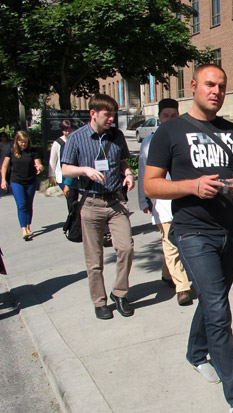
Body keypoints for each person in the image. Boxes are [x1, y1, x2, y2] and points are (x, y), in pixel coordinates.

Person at [144, 64, 233, 413]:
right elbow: (151, 184)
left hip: (232, 231)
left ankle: (196, 352)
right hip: (194, 231)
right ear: (193, 86)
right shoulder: (170, 132)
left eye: (223, 86)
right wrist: (191, 186)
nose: (217, 92)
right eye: (210, 84)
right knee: (218, 309)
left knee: (214, 300)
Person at [61, 94, 136, 321]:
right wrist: (84, 170)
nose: (111, 119)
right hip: (90, 203)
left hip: (114, 202)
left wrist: (128, 173)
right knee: (94, 259)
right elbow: (64, 169)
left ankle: (119, 293)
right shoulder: (77, 138)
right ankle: (99, 301)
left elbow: (123, 161)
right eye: (107, 115)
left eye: (113, 114)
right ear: (93, 113)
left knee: (126, 248)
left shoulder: (117, 136)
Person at [137, 98, 193, 306]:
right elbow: (143, 173)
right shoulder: (149, 143)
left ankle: (167, 274)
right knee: (170, 244)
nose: (169, 119)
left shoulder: (185, 138)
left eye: (173, 115)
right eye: (165, 115)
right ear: (159, 118)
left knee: (174, 243)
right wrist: (144, 199)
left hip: (185, 199)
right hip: (161, 201)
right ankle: (183, 288)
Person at [1, 131, 43, 240]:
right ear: (17, 141)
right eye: (21, 142)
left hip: (30, 181)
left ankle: (28, 226)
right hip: (16, 181)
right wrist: (3, 180)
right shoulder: (11, 151)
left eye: (25, 142)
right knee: (22, 204)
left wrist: (39, 167)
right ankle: (23, 229)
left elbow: (38, 164)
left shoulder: (33, 151)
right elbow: (4, 166)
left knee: (29, 205)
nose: (23, 144)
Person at [49, 120, 78, 212]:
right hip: (63, 176)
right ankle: (73, 221)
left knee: (76, 200)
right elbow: (53, 160)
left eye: (69, 130)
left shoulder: (76, 140)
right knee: (71, 199)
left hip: (76, 175)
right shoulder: (58, 143)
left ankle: (76, 220)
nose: (67, 132)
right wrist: (51, 175)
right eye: (65, 130)